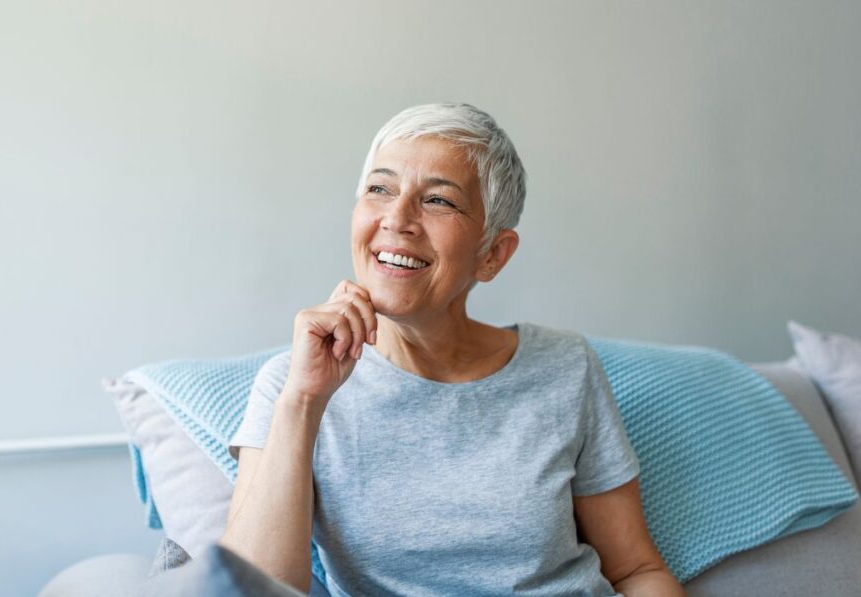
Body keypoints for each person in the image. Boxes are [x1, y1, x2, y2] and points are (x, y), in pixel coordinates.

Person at [214, 103, 684, 596]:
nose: (398, 219)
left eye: (438, 200)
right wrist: (304, 402)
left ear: (492, 254)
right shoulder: (292, 385)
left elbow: (635, 571)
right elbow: (254, 590)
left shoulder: (566, 366)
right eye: (380, 188)